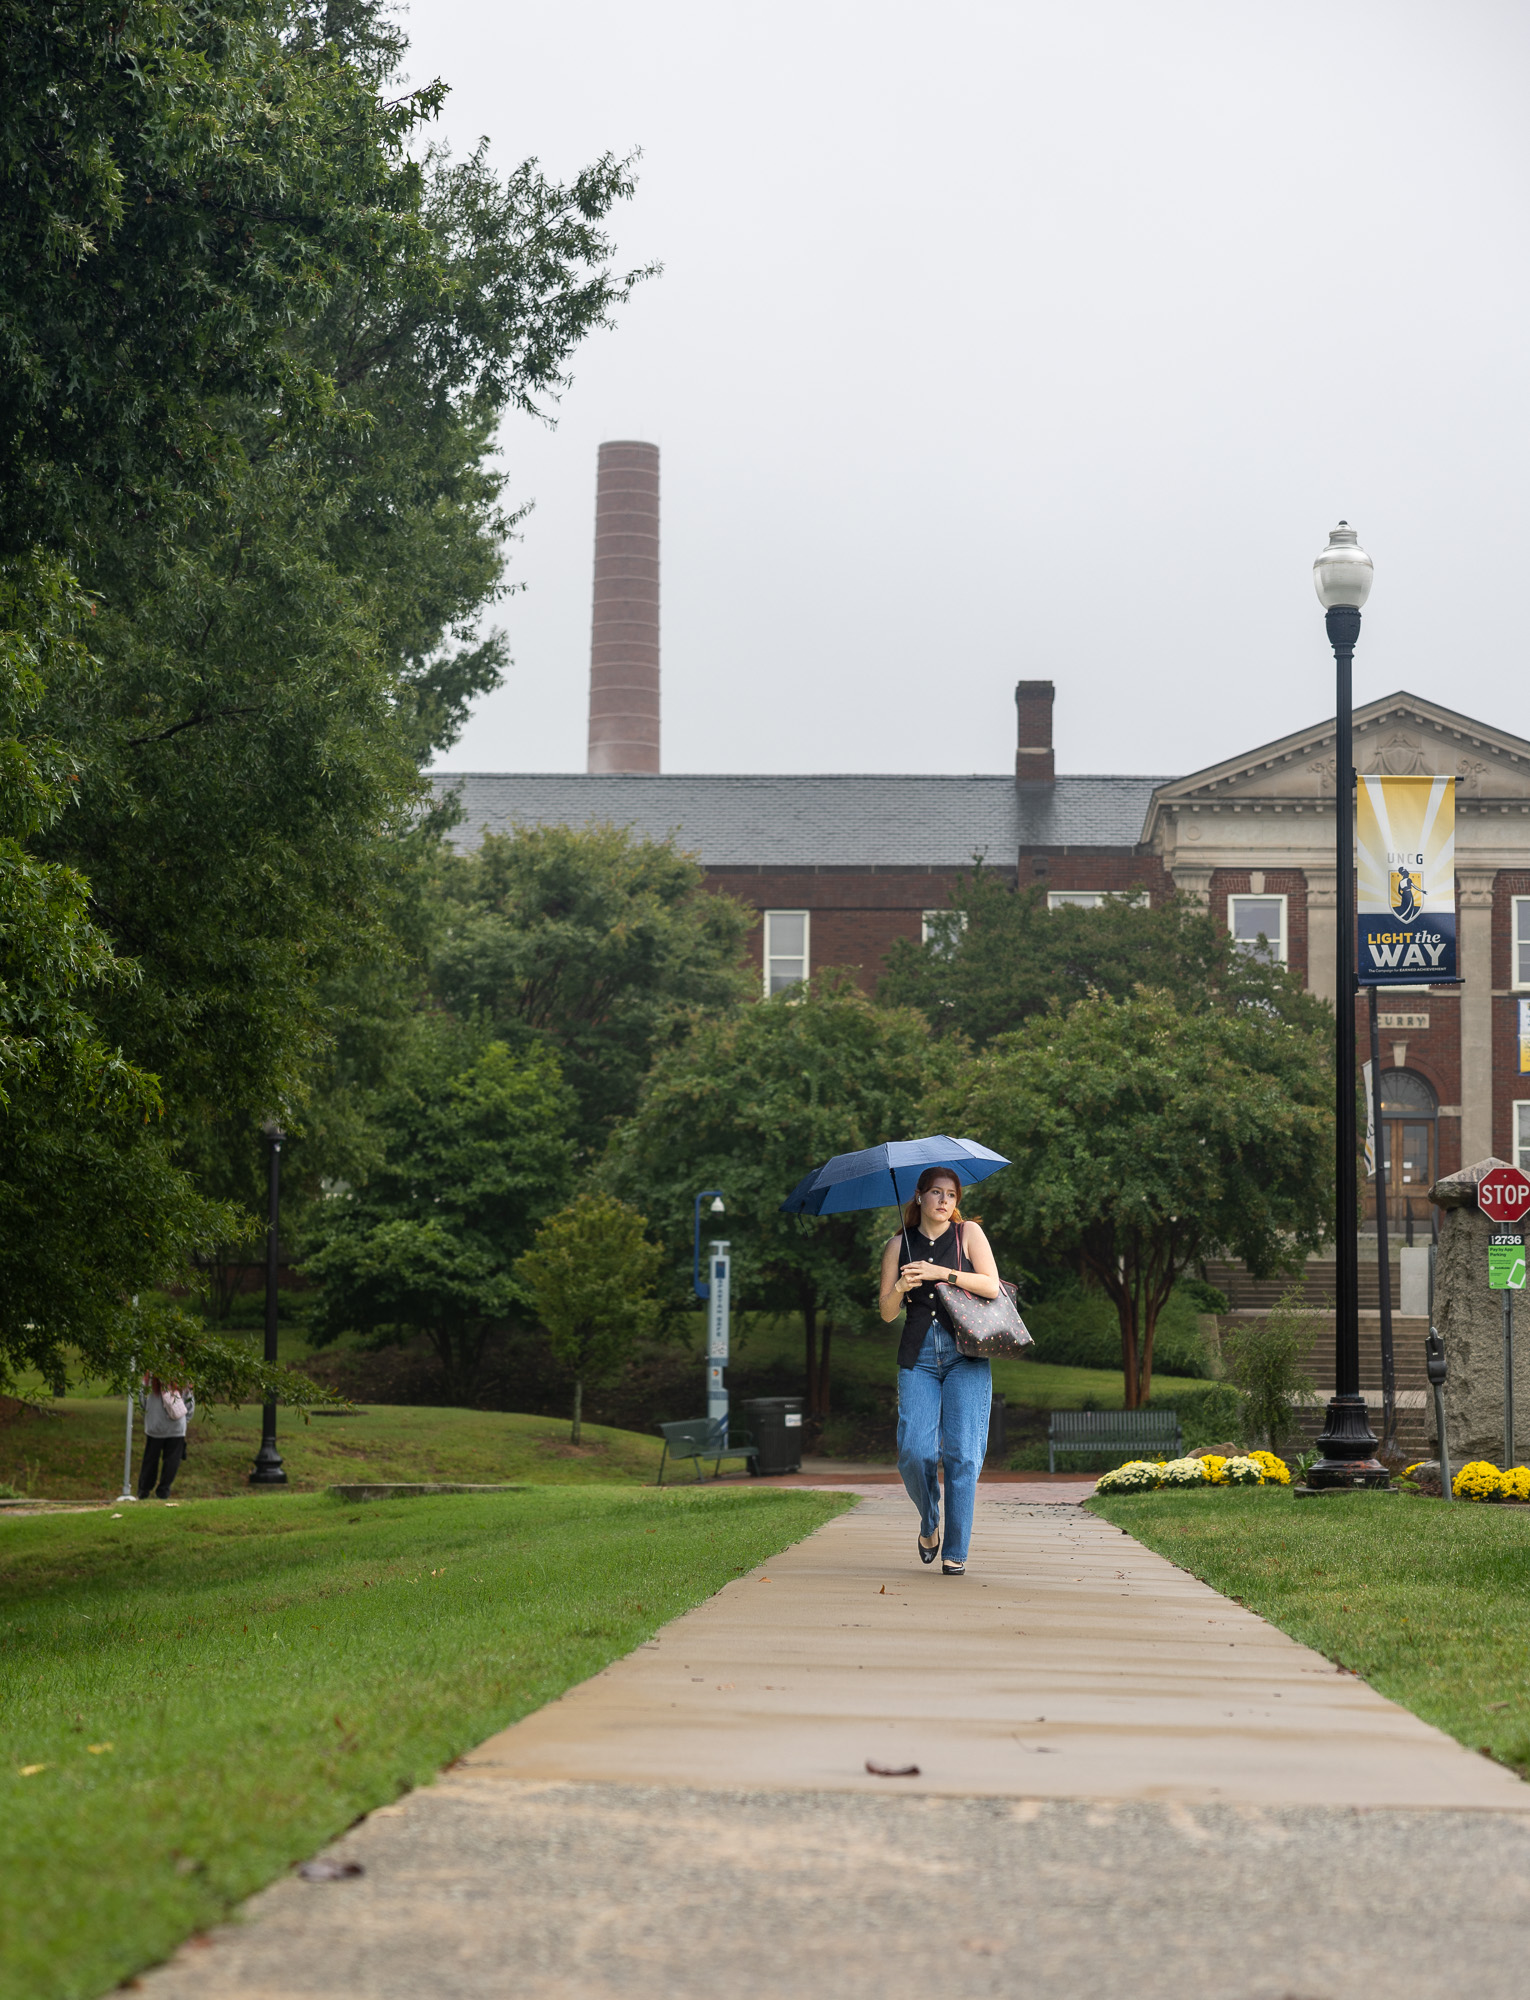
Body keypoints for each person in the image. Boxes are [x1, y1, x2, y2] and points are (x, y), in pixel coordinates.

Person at [878, 1166, 1001, 1575]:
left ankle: (955, 1552)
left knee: (962, 1454)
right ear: (919, 1197)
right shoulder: (899, 1245)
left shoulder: (969, 1235)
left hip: (965, 1353)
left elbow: (991, 1285)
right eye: (935, 1193)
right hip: (919, 1358)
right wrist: (900, 1287)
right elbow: (885, 1313)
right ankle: (929, 1521)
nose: (944, 1201)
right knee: (915, 1451)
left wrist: (940, 1273)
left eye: (951, 1194)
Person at [138, 1374, 194, 1500]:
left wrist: (149, 1416)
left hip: (155, 1426)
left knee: (150, 1459)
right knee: (172, 1460)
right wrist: (186, 1420)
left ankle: (144, 1490)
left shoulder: (149, 1378)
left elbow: (142, 1399)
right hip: (177, 1427)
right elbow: (189, 1402)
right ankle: (163, 1491)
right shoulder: (182, 1378)